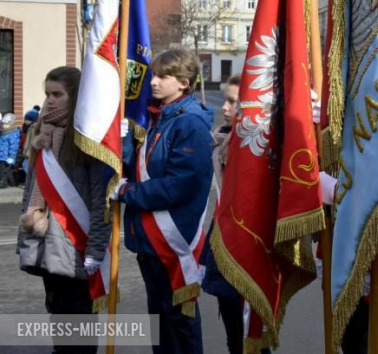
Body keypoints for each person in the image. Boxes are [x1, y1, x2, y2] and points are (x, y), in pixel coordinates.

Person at [112, 48, 214, 354]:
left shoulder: (189, 124)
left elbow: (178, 186)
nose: (153, 82)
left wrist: (126, 192)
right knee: (160, 323)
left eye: (162, 76)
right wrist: (123, 143)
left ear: (184, 82)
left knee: (178, 324)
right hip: (149, 240)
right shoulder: (158, 117)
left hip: (172, 240)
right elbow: (141, 169)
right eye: (153, 74)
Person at [17, 67, 110, 354]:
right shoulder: (41, 131)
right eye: (47, 94)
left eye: (58, 94)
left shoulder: (90, 139)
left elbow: (100, 202)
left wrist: (94, 251)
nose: (50, 101)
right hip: (47, 245)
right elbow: (29, 191)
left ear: (77, 96)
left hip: (77, 247)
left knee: (79, 324)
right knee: (58, 316)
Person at [200, 74, 273, 354]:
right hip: (223, 249)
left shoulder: (259, 149)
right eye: (226, 100)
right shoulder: (223, 142)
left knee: (252, 339)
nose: (226, 108)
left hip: (249, 253)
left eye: (233, 102)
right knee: (234, 338)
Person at [0, 113, 21, 188]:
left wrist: (11, 157)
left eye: (6, 124)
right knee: (7, 171)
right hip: (1, 156)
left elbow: (14, 146)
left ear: (11, 125)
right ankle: (13, 183)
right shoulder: (2, 132)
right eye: (3, 123)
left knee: (4, 171)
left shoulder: (13, 134)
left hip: (7, 157)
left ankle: (3, 183)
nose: (3, 125)